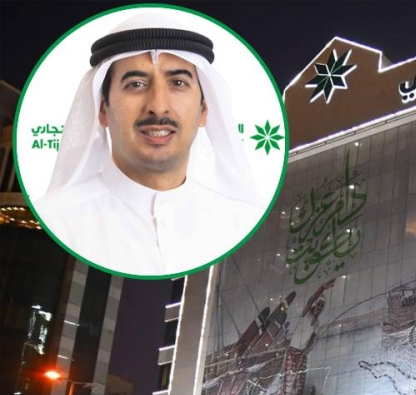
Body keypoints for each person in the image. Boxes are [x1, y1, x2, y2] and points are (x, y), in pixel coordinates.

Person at [34, 12, 265, 276]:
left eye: (178, 83)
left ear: (204, 110)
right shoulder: (56, 220)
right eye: (136, 84)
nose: (158, 106)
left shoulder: (243, 224)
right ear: (102, 110)